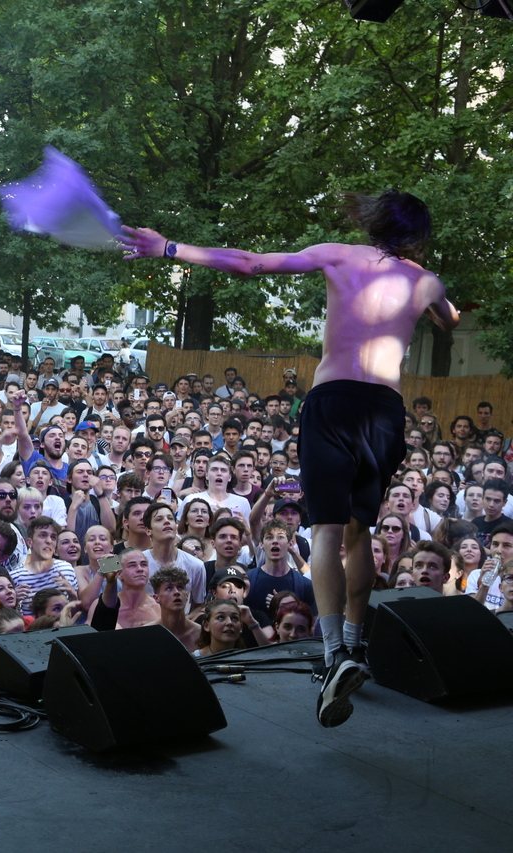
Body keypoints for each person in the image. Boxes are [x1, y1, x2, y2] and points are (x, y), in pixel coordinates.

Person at [122, 189, 460, 726]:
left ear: (372, 221)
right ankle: (354, 643)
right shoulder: (426, 280)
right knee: (359, 534)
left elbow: (251, 264)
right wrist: (441, 310)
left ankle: (334, 655)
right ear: (418, 233)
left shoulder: (339, 254)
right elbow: (450, 320)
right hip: (385, 411)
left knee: (325, 532)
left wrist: (169, 248)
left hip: (334, 401)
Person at [148, 566, 200, 652]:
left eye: (180, 587)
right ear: (156, 598)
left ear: (187, 595)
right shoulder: (147, 634)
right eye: (169, 588)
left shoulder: (200, 634)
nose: (176, 592)